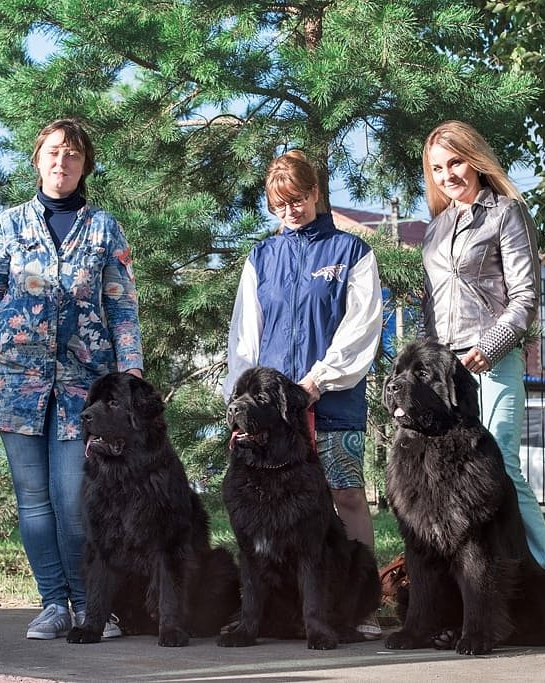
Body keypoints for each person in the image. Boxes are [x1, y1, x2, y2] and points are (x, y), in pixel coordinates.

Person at [0, 119, 144, 639]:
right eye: (52, 153)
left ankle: (91, 606)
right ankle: (52, 603)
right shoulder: (7, 225)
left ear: (84, 165)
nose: (61, 163)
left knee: (75, 500)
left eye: (72, 155)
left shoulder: (105, 228)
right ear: (37, 160)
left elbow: (122, 308)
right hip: (15, 382)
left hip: (84, 389)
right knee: (33, 500)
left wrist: (129, 376)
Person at [224, 150, 384, 638]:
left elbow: (362, 328)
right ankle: (278, 609)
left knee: (347, 495)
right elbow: (244, 337)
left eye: (298, 199)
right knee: (267, 505)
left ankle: (363, 607)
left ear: (316, 192)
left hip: (331, 398)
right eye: (280, 204)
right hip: (272, 413)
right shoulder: (261, 258)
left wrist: (318, 381)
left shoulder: (352, 253)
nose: (290, 211)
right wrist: (245, 400)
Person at [420, 120, 545, 579]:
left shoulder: (506, 213)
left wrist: (489, 346)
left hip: (492, 364)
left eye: (455, 162)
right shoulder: (435, 229)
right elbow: (430, 309)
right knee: (453, 474)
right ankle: (477, 577)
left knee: (502, 466)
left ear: (475, 159)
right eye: (437, 168)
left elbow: (524, 299)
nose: (447, 175)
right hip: (447, 372)